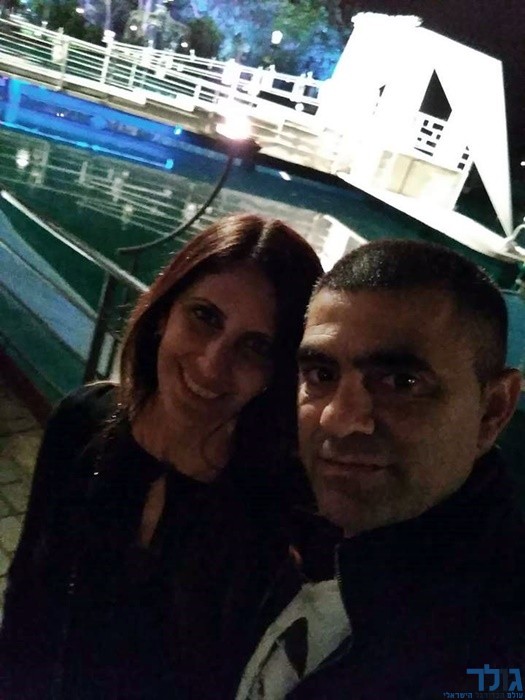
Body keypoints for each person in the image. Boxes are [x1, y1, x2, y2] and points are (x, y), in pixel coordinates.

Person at [0, 213, 323, 700]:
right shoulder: (82, 421)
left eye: (255, 346)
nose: (212, 365)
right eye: (205, 317)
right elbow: (28, 590)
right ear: (163, 313)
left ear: (278, 372)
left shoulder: (282, 509)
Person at [236, 239, 525, 700]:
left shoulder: (488, 653)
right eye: (321, 374)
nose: (337, 419)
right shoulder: (303, 529)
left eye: (401, 382)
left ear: (493, 410)